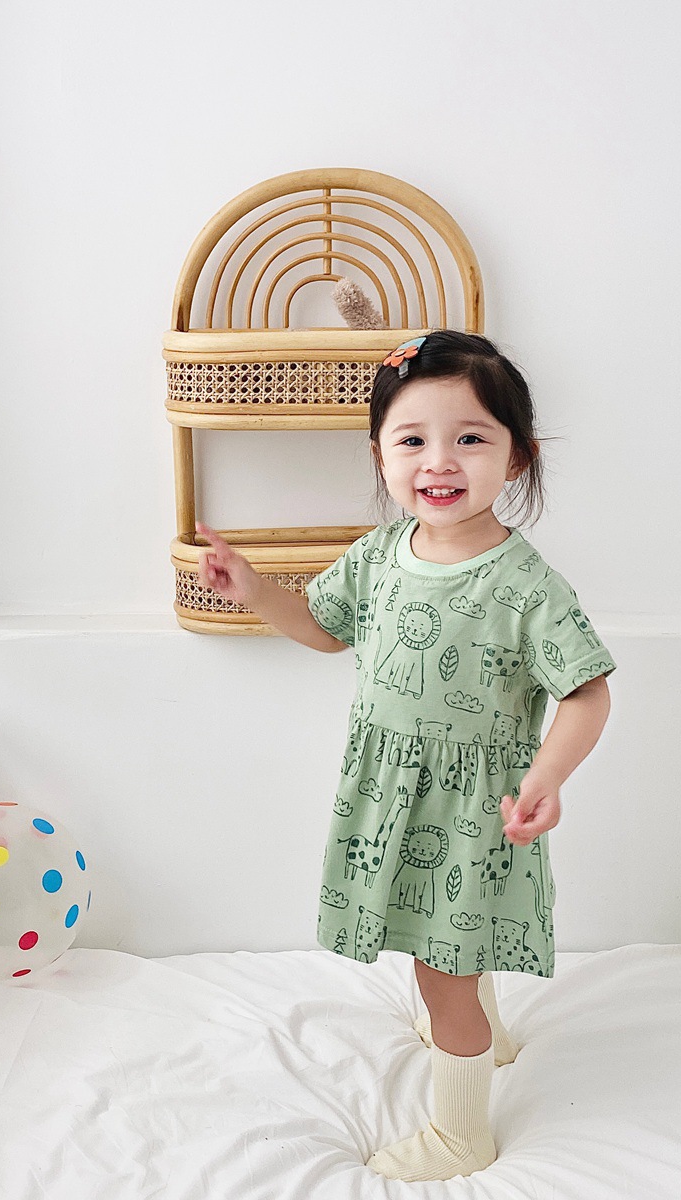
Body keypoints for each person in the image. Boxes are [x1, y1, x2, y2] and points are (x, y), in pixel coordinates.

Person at [196, 329, 615, 1181]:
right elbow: (324, 628)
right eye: (413, 439)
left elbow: (586, 691)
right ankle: (489, 1033)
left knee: (439, 973)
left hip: (473, 811)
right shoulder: (378, 556)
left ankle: (460, 1133)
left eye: (471, 438)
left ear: (518, 457)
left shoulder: (525, 586)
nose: (439, 461)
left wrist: (547, 775)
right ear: (380, 455)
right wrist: (256, 591)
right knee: (448, 947)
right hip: (392, 794)